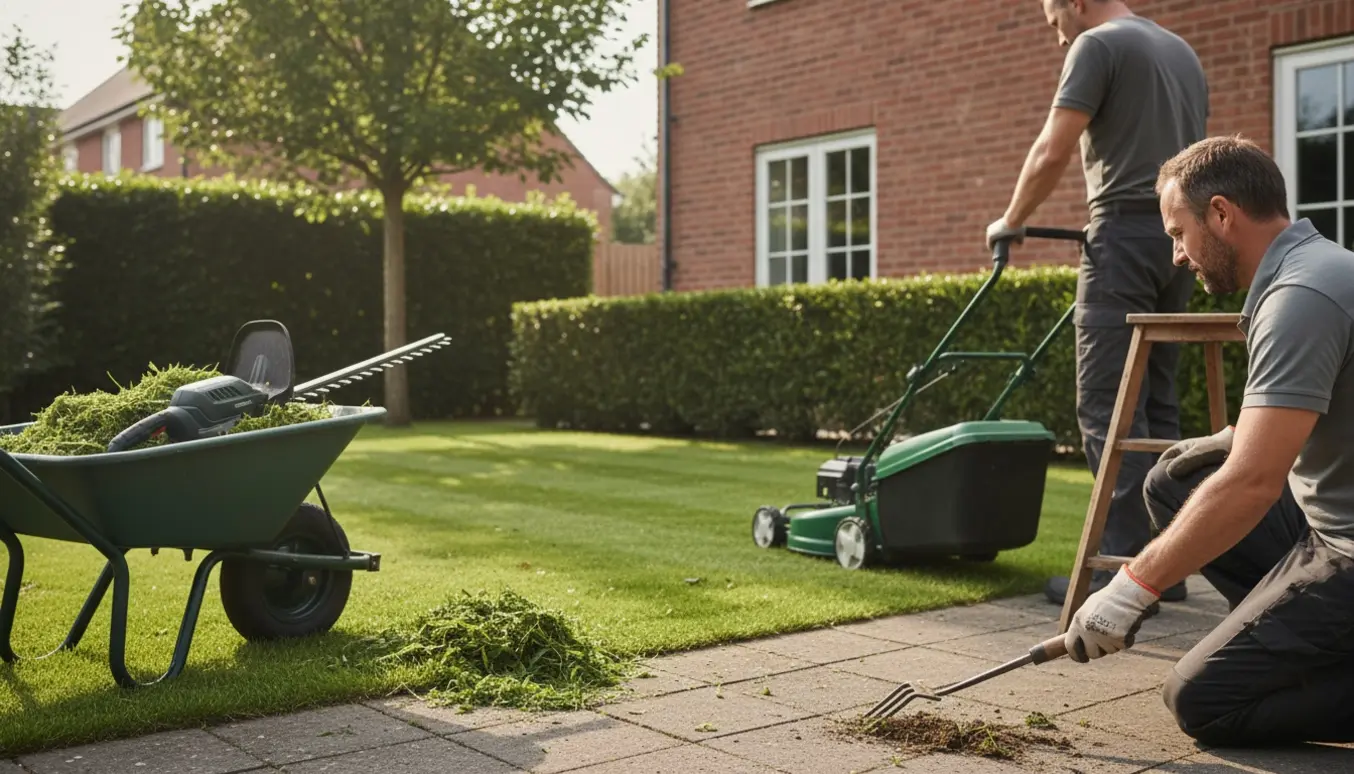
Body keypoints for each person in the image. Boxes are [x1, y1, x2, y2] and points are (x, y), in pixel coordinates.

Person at [1063, 135, 1354, 747]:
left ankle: (1297, 655)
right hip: (1327, 521)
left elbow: (1252, 484)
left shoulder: (1300, 298)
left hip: (1347, 549)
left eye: (1178, 233)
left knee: (1200, 700)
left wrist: (1128, 590)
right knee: (1175, 478)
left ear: (1221, 215)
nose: (1176, 256)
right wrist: (1234, 432)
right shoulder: (1314, 268)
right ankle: (1290, 642)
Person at [986, 0, 1210, 607]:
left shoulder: (1098, 45)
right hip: (1179, 241)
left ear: (1075, 3)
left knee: (1108, 404)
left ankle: (1126, 575)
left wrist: (1011, 221)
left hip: (1122, 236)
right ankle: (1170, 566)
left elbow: (1051, 150)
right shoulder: (1181, 53)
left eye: (1055, 19)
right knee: (1159, 407)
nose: (1059, 38)